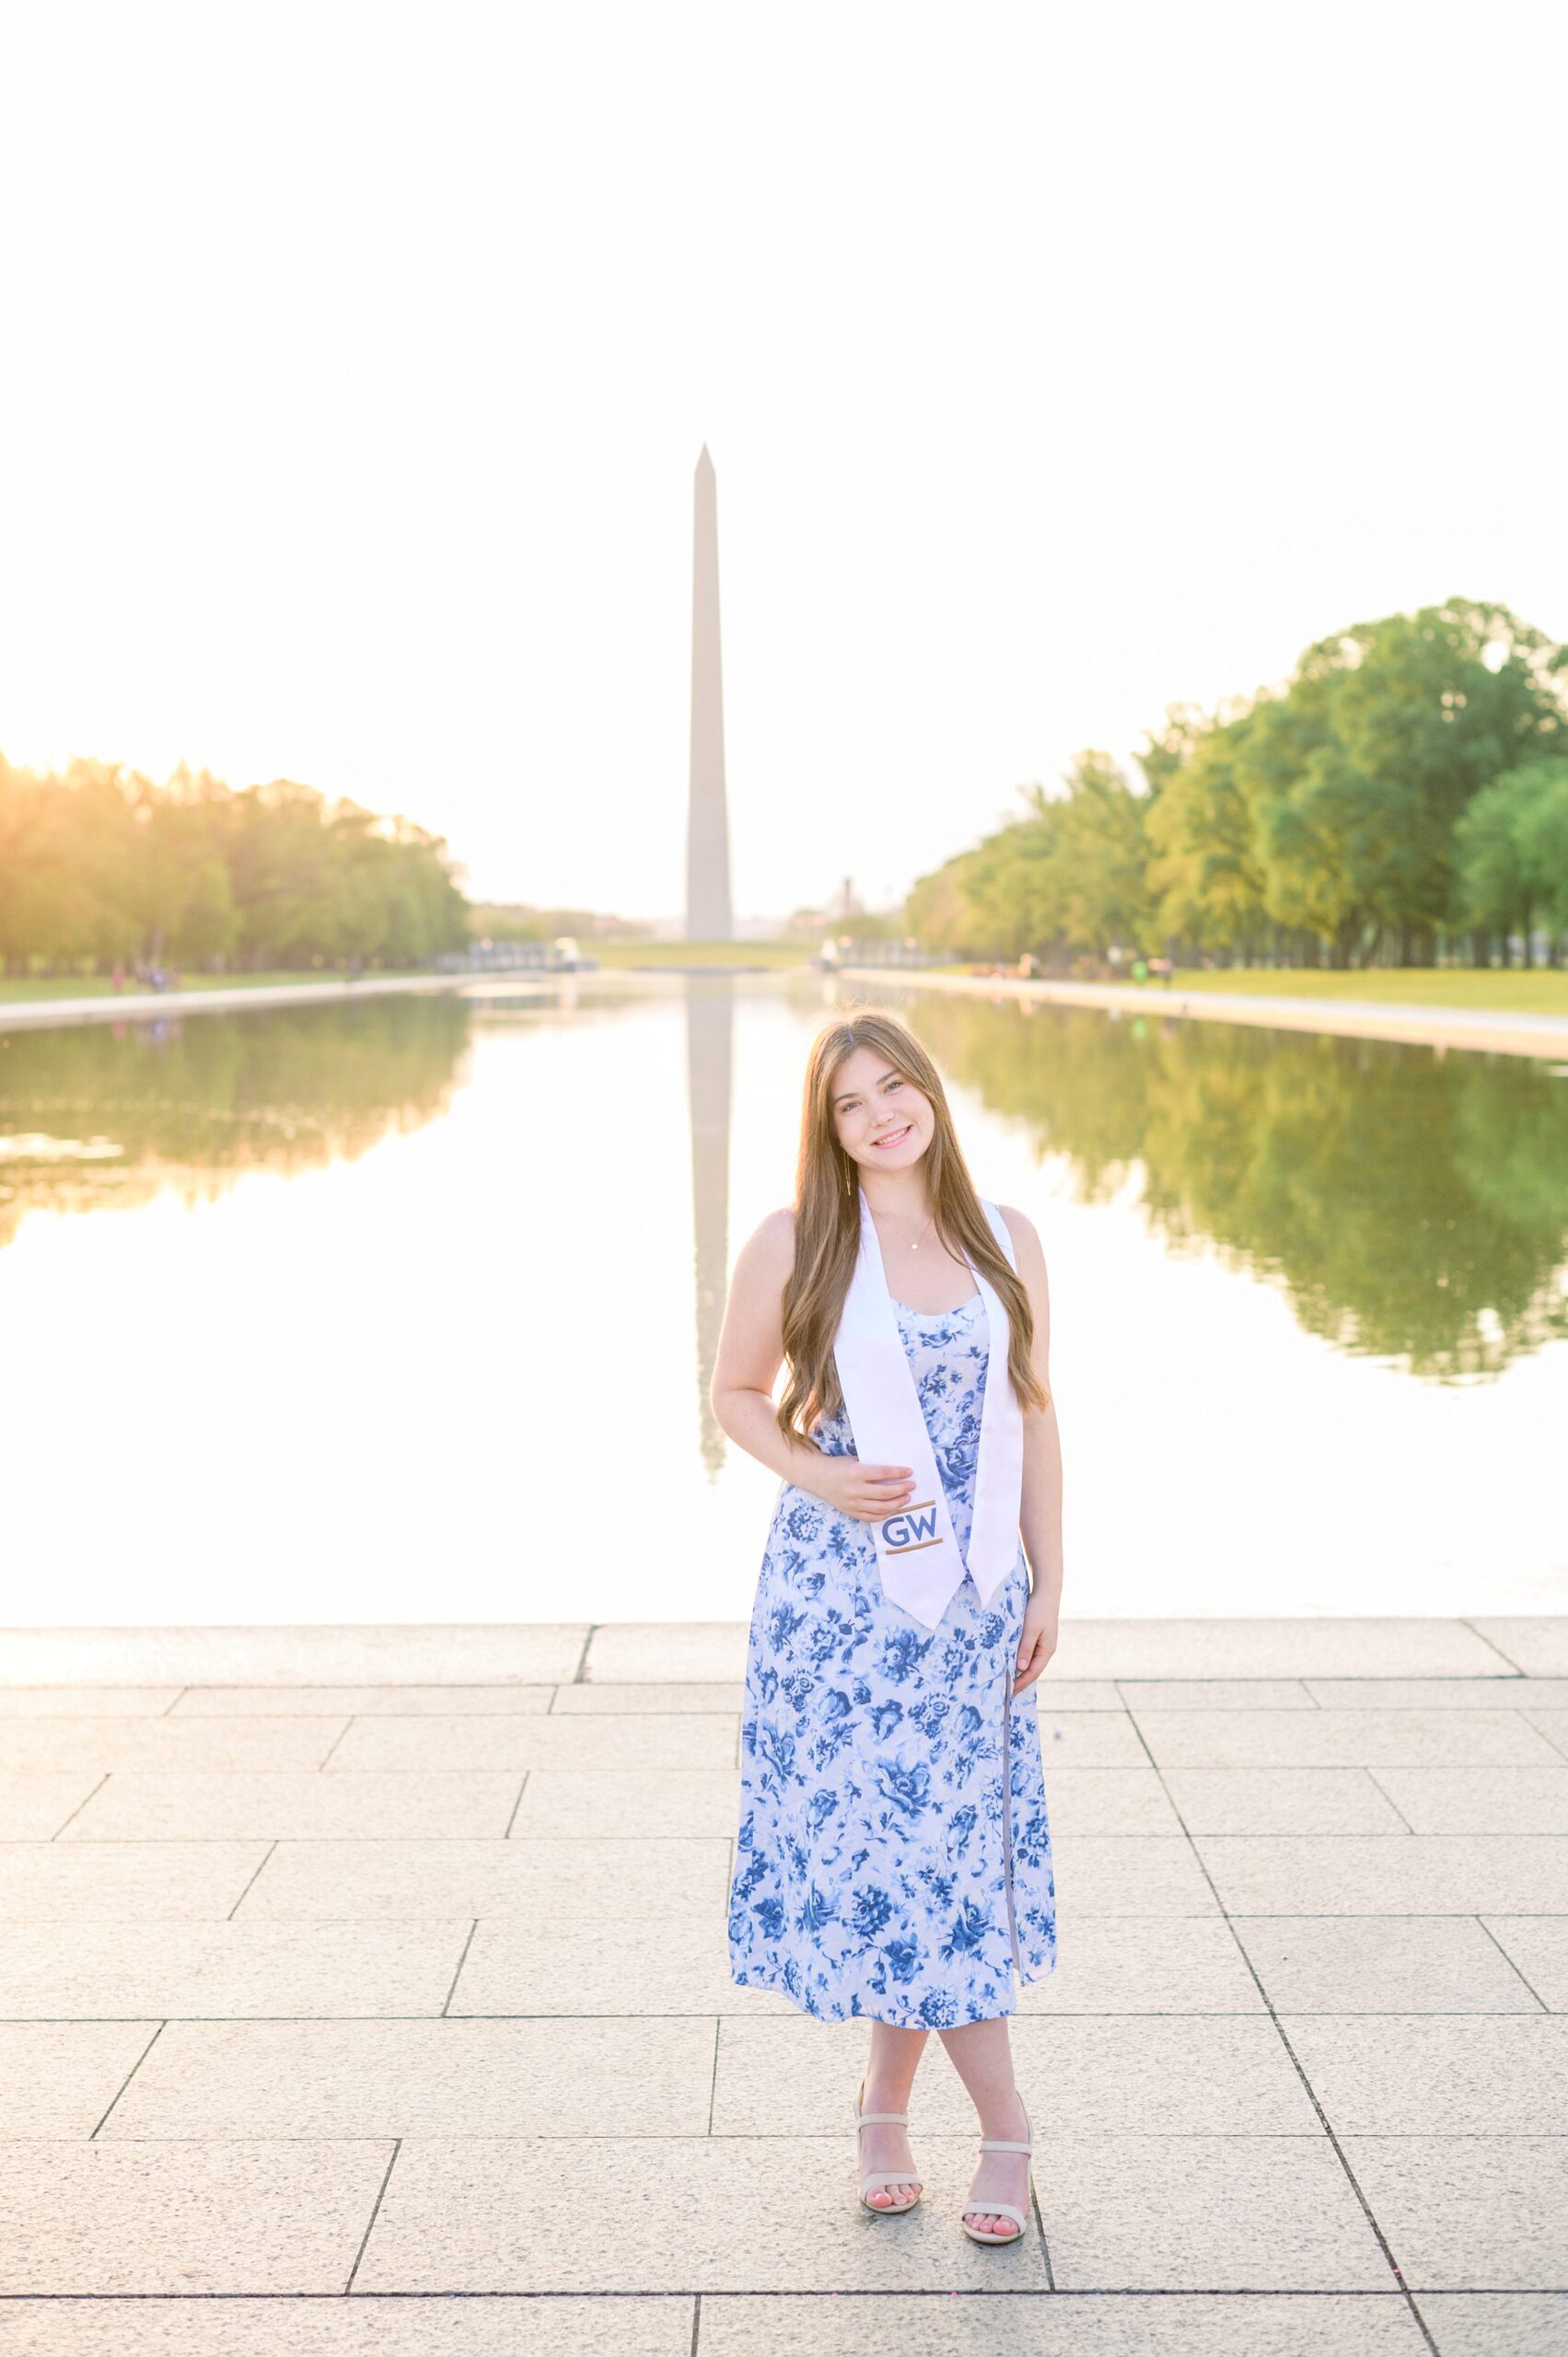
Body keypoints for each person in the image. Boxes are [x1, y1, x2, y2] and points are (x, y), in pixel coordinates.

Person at [712, 1008, 1063, 2247]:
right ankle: (1005, 2128)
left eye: (896, 1088)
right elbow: (736, 1397)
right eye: (852, 1103)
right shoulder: (798, 1242)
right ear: (830, 1127)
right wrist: (815, 1474)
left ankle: (883, 2109)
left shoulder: (1001, 1238)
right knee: (898, 1864)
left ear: (931, 1094)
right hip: (845, 1613)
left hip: (973, 1608)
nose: (881, 1116)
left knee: (943, 1859)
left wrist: (1051, 1583)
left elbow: (1035, 1410)